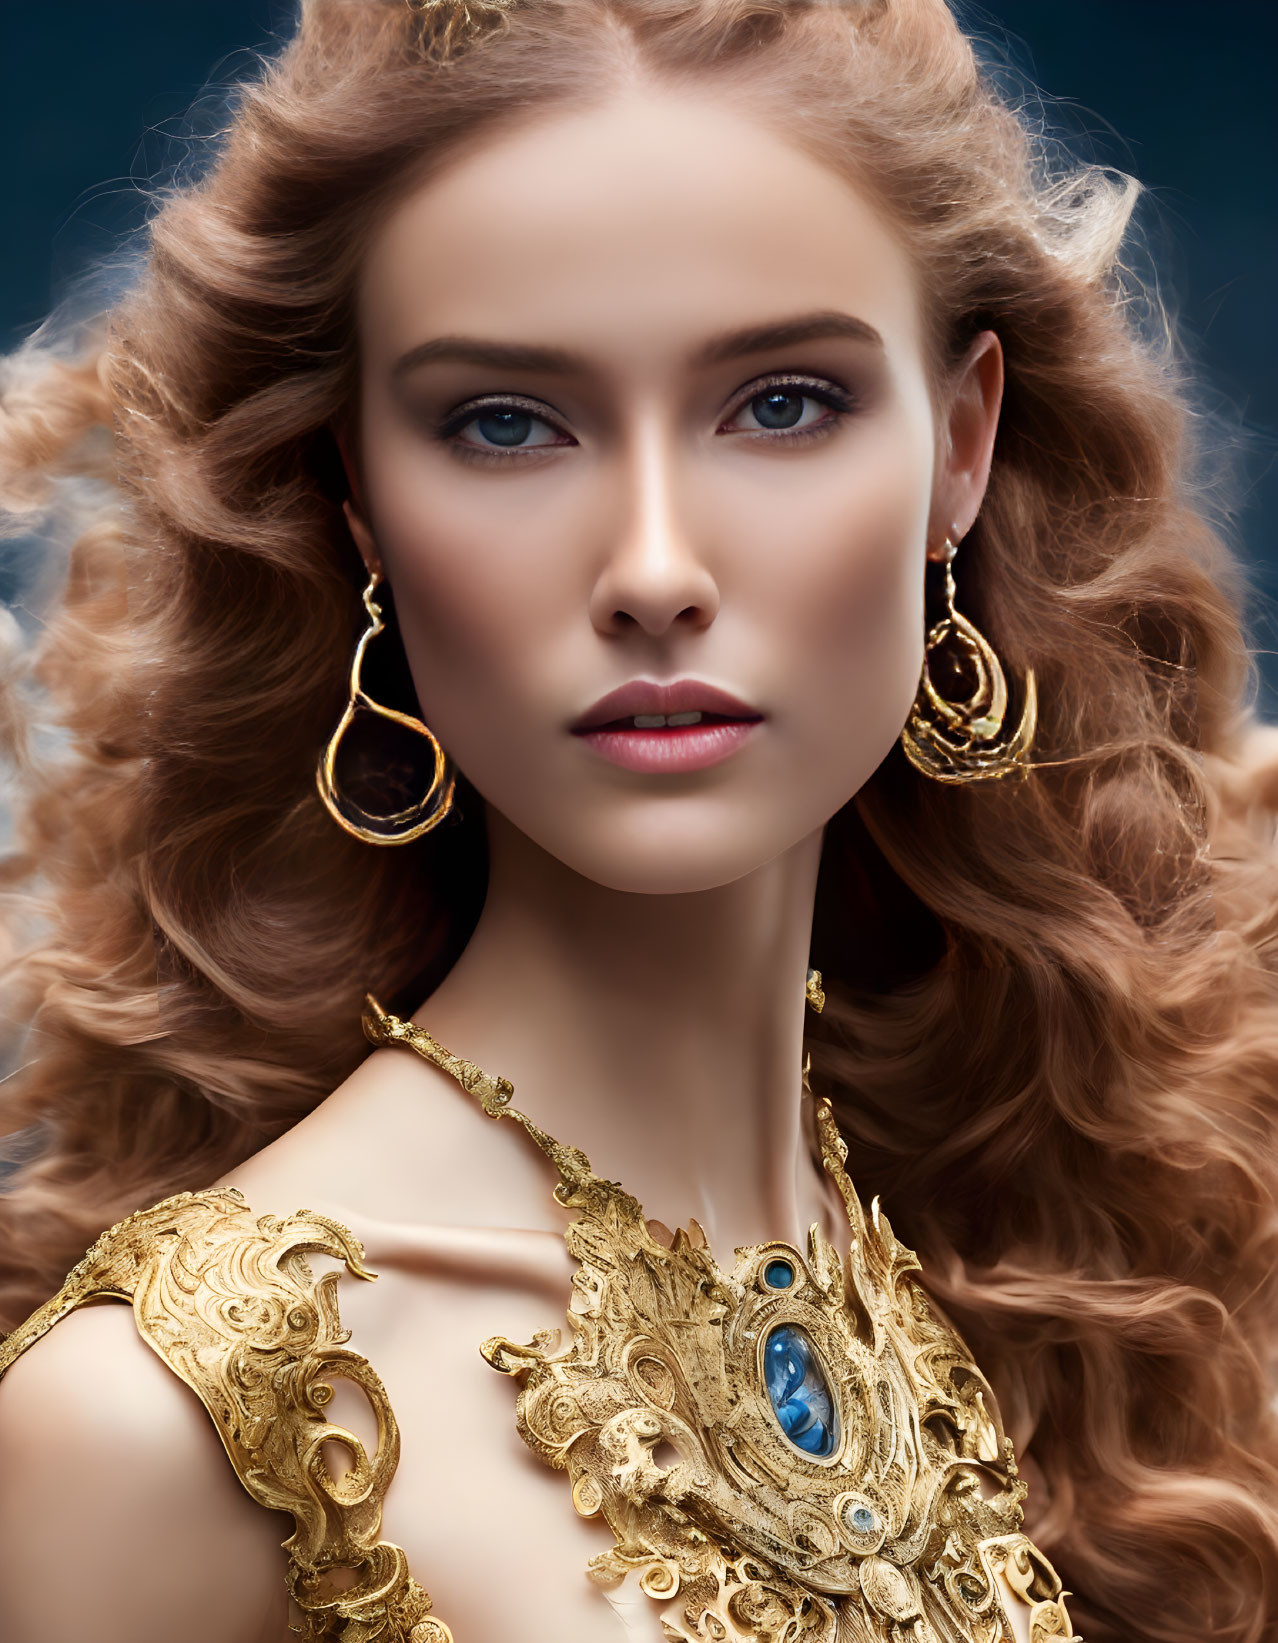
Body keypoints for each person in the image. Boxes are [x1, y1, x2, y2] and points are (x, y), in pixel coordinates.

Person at [1, 0, 1277, 1638]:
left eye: (782, 403)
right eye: (505, 424)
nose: (656, 569)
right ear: (356, 504)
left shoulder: (999, 1253)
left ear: (959, 449)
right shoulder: (166, 1424)